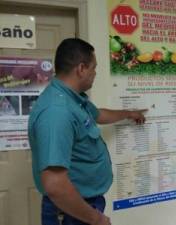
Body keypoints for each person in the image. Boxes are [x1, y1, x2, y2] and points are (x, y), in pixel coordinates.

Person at [28, 38, 147, 225]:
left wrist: (129, 113)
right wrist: (96, 219)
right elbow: (55, 185)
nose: (95, 73)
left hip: (83, 205)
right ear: (81, 68)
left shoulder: (73, 100)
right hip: (71, 210)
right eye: (94, 68)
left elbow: (98, 115)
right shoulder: (57, 112)